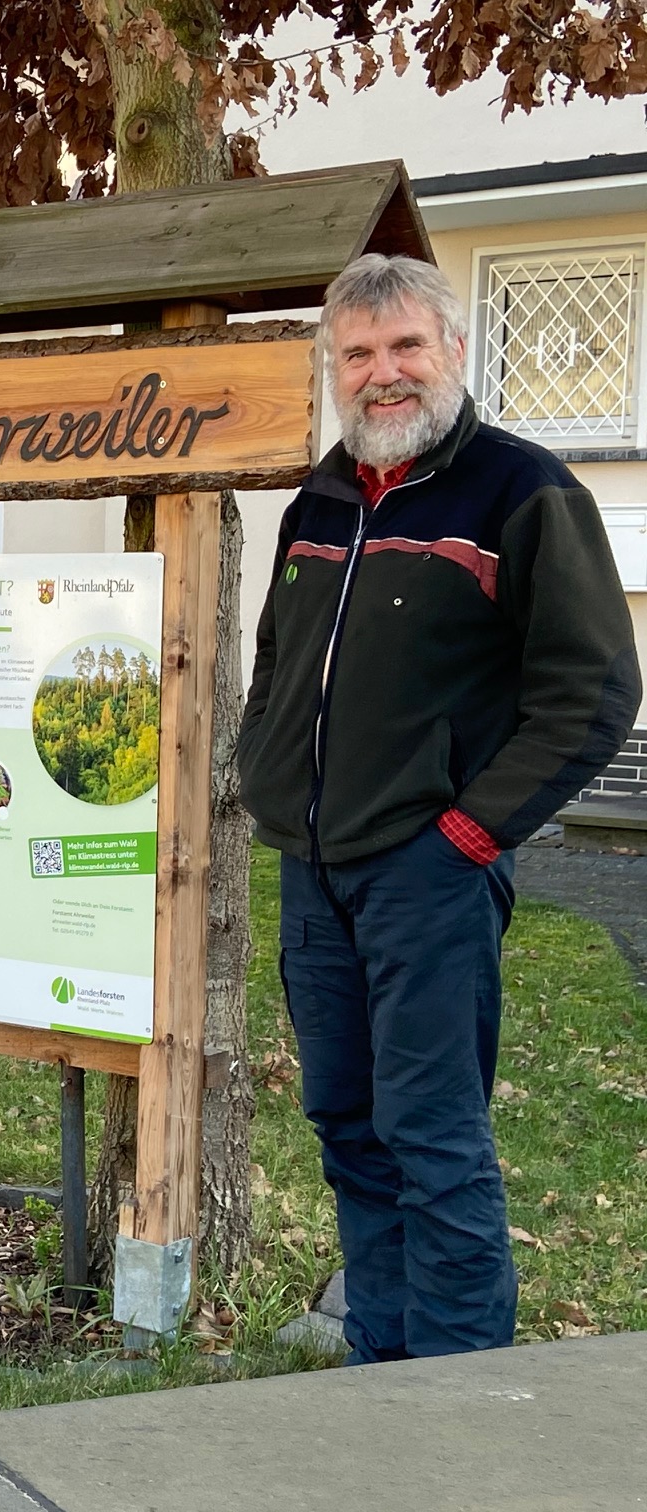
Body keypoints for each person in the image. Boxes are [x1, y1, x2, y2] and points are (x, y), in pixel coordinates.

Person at [239, 255, 640, 1363]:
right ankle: (384, 1365)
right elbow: (279, 660)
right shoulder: (318, 497)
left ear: (454, 351)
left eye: (406, 346)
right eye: (358, 355)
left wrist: (472, 829)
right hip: (314, 871)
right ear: (336, 367)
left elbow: (595, 690)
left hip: (430, 872)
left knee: (431, 1138)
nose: (384, 374)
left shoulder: (524, 490)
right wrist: (262, 762)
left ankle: (462, 1403)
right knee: (349, 1130)